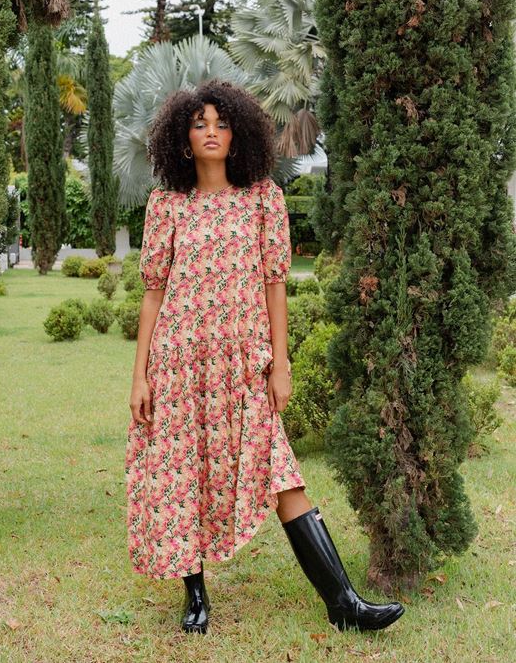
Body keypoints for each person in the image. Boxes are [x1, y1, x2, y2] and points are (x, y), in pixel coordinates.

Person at [126, 79, 404, 634]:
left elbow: (276, 282)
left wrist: (282, 362)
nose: (211, 132)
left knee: (281, 472)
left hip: (244, 365)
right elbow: (154, 292)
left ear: (238, 134)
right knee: (182, 474)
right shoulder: (167, 205)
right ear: (183, 139)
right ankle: (196, 596)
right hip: (179, 364)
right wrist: (140, 377)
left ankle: (343, 603)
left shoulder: (262, 199)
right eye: (199, 123)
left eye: (221, 123)